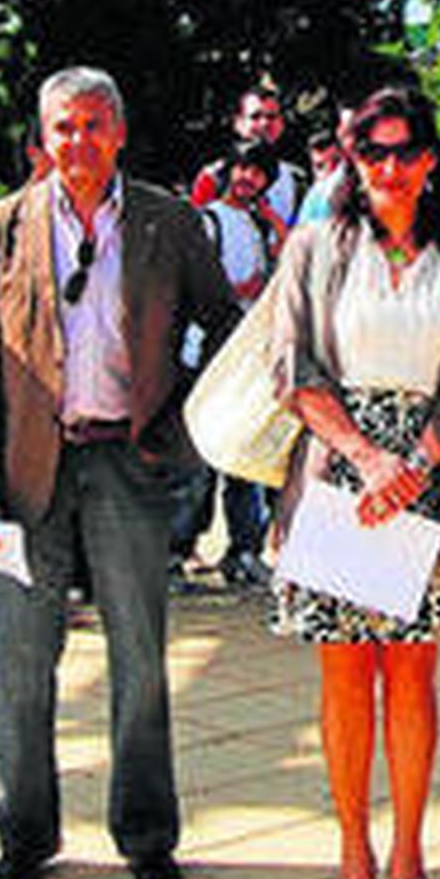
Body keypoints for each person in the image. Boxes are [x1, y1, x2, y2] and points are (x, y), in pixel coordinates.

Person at [0, 66, 238, 879]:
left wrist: (185, 417)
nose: (77, 140)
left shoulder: (168, 220)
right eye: (63, 127)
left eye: (92, 124)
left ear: (118, 132)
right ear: (43, 138)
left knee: (140, 658)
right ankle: (24, 834)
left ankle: (147, 834)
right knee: (19, 663)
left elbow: (224, 322)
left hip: (129, 460)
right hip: (26, 474)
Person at [269, 85, 440, 879]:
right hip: (341, 474)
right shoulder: (316, 247)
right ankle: (353, 851)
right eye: (372, 151)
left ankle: (408, 854)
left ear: (430, 159)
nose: (389, 167)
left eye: (404, 151)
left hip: (430, 475)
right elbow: (292, 366)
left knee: (411, 673)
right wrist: (367, 459)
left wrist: (417, 461)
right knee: (344, 672)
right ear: (352, 160)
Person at [174, 141, 288, 586]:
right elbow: (191, 283)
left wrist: (273, 223)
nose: (248, 179)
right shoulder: (208, 220)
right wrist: (239, 290)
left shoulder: (258, 225)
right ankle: (178, 549)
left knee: (244, 451)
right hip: (207, 351)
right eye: (242, 168)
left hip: (246, 353)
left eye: (258, 173)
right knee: (197, 456)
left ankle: (243, 549)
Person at [191, 82, 305, 223]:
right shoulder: (213, 177)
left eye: (271, 117)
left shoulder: (296, 180)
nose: (264, 123)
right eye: (255, 117)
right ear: (238, 123)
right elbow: (194, 227)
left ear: (281, 123)